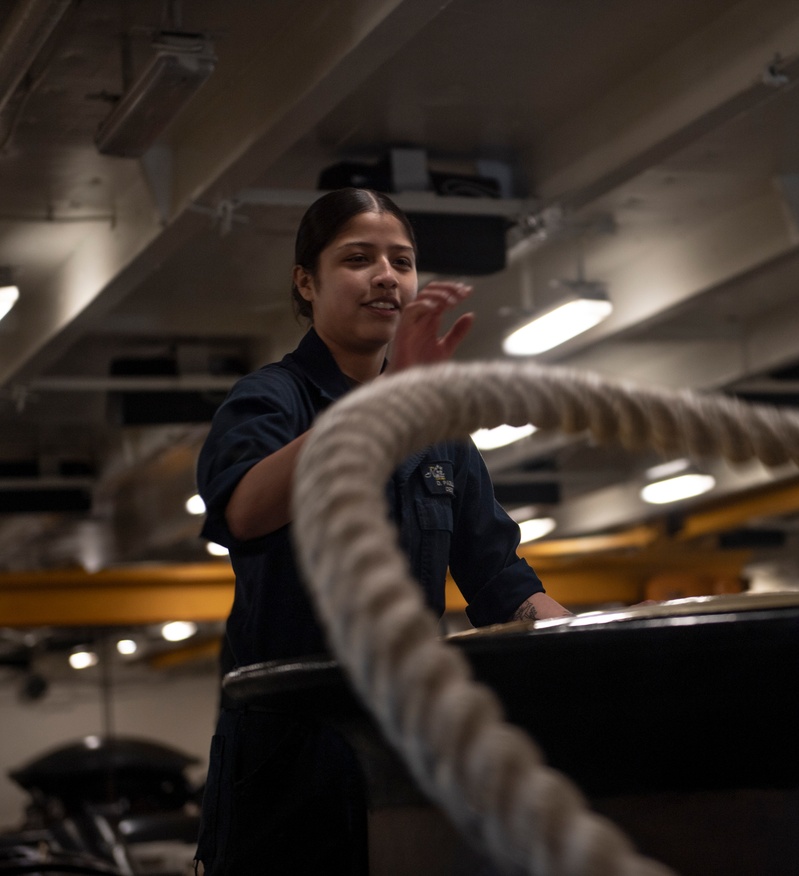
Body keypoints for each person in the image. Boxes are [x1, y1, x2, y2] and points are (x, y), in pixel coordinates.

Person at [193, 187, 570, 875]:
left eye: (401, 260)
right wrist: (380, 406)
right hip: (290, 767)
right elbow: (244, 511)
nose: (386, 276)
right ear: (306, 282)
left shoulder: (439, 433)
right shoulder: (269, 400)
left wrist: (582, 642)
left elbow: (497, 577)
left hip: (407, 754)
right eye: (358, 259)